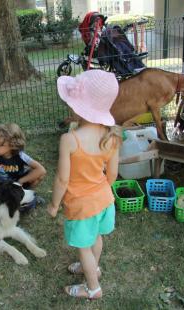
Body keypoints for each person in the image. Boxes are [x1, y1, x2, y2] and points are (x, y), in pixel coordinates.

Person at [47, 70, 122, 299]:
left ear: (79, 107)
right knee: (95, 238)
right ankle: (93, 266)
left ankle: (92, 288)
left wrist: (53, 204)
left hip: (81, 207)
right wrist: (100, 190)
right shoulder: (113, 135)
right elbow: (113, 174)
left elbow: (62, 179)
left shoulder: (69, 140)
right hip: (104, 201)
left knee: (83, 246)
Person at [0, 123, 46, 212]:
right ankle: (21, 202)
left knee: (38, 175)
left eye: (0, 145)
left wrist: (20, 182)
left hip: (18, 184)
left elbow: (41, 170)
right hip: (1, 188)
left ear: (12, 145)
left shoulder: (20, 155)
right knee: (15, 208)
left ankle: (25, 195)